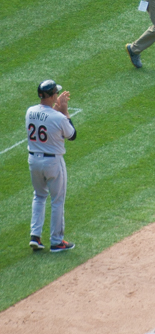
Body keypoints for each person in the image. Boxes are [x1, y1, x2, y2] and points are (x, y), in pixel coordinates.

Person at [25, 78, 76, 253]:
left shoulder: (30, 111)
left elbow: (46, 118)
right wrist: (65, 111)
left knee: (39, 196)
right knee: (57, 200)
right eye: (55, 93)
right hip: (53, 162)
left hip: (33, 161)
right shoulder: (58, 117)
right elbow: (72, 135)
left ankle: (35, 236)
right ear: (53, 95)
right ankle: (56, 241)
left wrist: (56, 110)